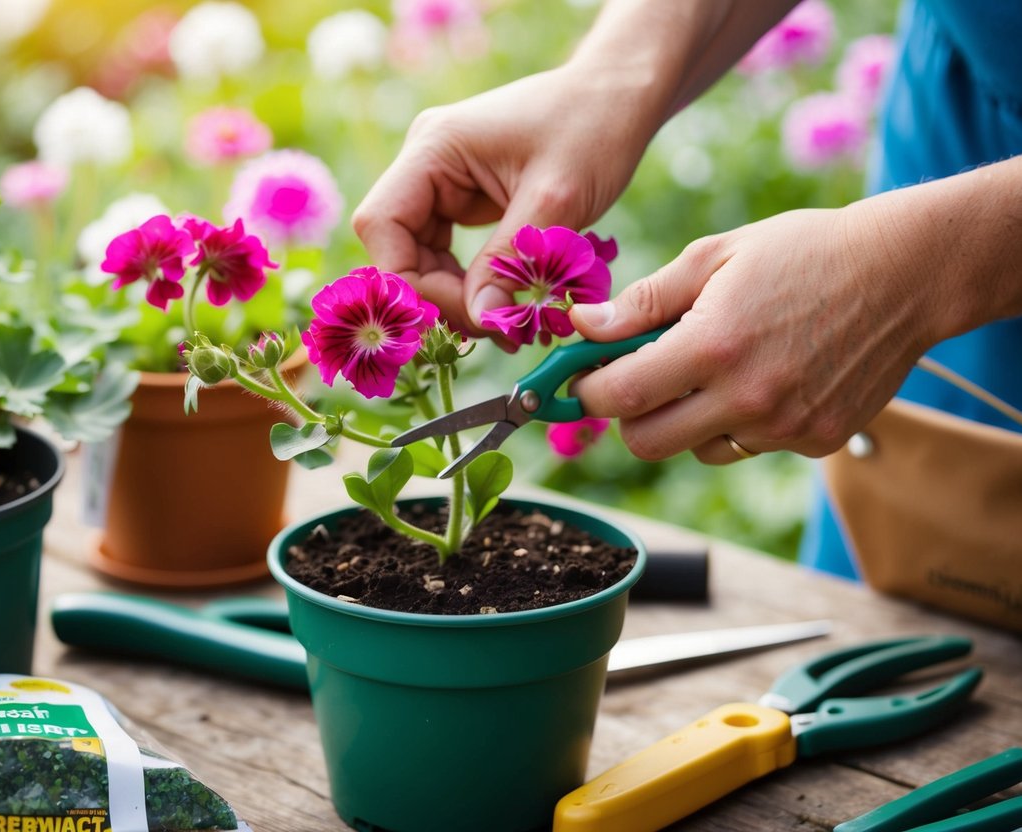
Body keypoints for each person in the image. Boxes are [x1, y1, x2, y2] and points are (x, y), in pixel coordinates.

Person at [351, 0, 1022, 579]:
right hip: (961, 108)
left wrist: (911, 273)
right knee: (903, 594)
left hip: (974, 229)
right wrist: (609, 78)